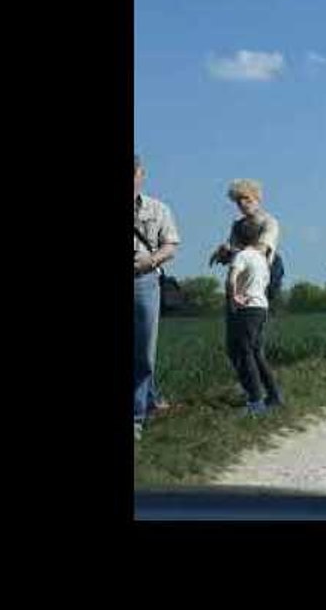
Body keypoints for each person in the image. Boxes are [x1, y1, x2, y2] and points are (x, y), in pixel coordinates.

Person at [133, 154, 181, 442]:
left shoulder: (158, 209)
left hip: (145, 281)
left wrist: (149, 260)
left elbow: (171, 245)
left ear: (141, 174)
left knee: (143, 353)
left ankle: (136, 418)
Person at [225, 217, 282, 415]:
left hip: (247, 309)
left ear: (237, 238)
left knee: (246, 352)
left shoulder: (241, 256)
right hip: (261, 308)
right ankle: (274, 395)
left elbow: (232, 279)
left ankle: (256, 401)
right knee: (257, 352)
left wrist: (234, 297)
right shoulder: (261, 259)